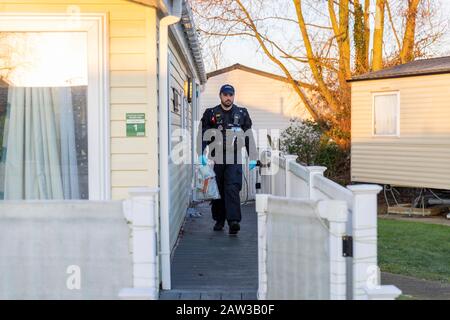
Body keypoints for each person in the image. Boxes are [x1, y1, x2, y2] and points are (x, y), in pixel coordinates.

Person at [198, 84, 257, 235]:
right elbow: (203, 134)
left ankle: (233, 221)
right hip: (216, 156)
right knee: (218, 189)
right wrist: (200, 153)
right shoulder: (210, 113)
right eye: (225, 94)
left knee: (231, 187)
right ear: (220, 96)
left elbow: (249, 135)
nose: (228, 98)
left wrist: (253, 157)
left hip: (234, 156)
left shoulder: (241, 113)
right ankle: (219, 219)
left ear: (233, 96)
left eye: (231, 95)